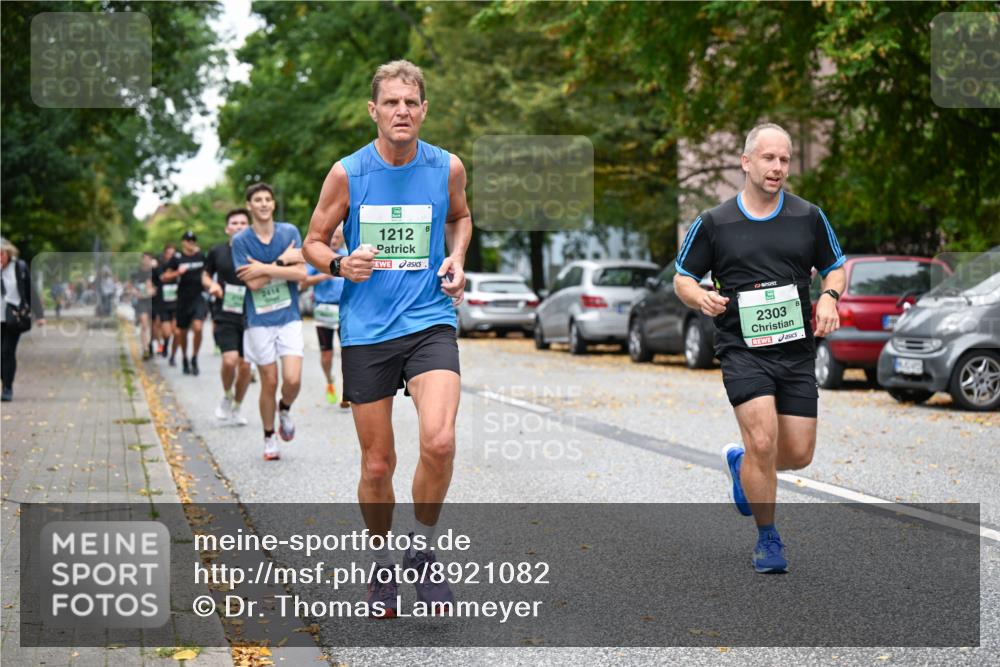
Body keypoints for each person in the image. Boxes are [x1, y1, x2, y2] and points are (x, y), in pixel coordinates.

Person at [304, 60, 470, 617]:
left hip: (429, 321)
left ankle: (422, 554)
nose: (403, 111)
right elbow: (312, 241)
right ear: (373, 111)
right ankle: (380, 567)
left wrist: (457, 257)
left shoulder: (447, 167)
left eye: (412, 102)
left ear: (424, 110)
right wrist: (338, 262)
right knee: (378, 465)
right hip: (368, 330)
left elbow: (461, 218)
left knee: (440, 441)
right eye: (392, 102)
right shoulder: (348, 174)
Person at [673, 123, 846, 574]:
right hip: (741, 348)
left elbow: (836, 267)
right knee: (764, 439)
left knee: (797, 453)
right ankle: (768, 537)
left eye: (785, 159)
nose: (777, 167)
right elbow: (682, 278)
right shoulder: (715, 222)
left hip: (795, 351)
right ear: (746, 162)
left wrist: (830, 296)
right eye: (768, 158)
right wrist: (701, 298)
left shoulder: (808, 216)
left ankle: (741, 465)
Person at [232, 183, 307, 461]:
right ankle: (269, 437)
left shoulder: (290, 232)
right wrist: (279, 262)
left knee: (292, 378)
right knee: (269, 380)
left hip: (289, 316)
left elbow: (301, 273)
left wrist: (263, 267)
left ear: (273, 204)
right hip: (259, 321)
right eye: (257, 200)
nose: (263, 204)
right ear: (249, 206)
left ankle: (284, 408)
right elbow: (253, 284)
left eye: (267, 199)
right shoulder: (241, 241)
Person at [203, 209, 252, 426]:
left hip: (252, 314)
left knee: (246, 367)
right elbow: (205, 275)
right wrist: (211, 284)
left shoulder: (257, 250)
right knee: (229, 360)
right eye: (235, 222)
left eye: (243, 222)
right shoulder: (217, 251)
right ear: (227, 228)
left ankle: (237, 406)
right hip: (225, 311)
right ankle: (226, 394)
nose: (239, 226)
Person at [302, 221, 350, 408]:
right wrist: (326, 273)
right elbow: (303, 282)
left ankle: (347, 391)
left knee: (348, 353)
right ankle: (330, 381)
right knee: (327, 355)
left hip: (345, 309)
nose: (334, 240)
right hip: (323, 310)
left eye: (338, 237)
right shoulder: (319, 258)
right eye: (331, 237)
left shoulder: (348, 256)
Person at [1, 237, 45, 402]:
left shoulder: (19, 267)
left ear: (8, 253)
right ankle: (4, 380)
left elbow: (30, 291)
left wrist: (39, 315)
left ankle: (7, 388)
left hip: (14, 317)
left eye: (1, 254)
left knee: (7, 351)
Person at [161, 231, 207, 375]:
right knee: (182, 332)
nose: (191, 242)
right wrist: (177, 273)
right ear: (183, 242)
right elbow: (164, 276)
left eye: (193, 240)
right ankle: (185, 357)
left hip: (198, 297)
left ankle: (194, 357)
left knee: (198, 327)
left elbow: (209, 272)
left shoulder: (201, 256)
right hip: (182, 299)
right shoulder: (177, 258)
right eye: (188, 240)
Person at [153, 244, 177, 359]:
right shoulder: (159, 267)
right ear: (165, 254)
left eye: (173, 254)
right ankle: (161, 346)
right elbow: (159, 279)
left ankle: (170, 352)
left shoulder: (179, 265)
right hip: (162, 302)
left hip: (177, 303)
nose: (171, 256)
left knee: (175, 331)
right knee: (163, 330)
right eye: (169, 254)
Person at [131, 252, 156, 360]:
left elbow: (158, 286)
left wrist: (152, 291)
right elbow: (132, 287)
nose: (146, 260)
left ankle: (150, 345)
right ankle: (145, 348)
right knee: (144, 325)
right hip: (142, 302)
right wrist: (136, 292)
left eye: (148, 259)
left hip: (153, 301)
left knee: (153, 327)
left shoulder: (155, 272)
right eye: (144, 258)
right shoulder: (136, 273)